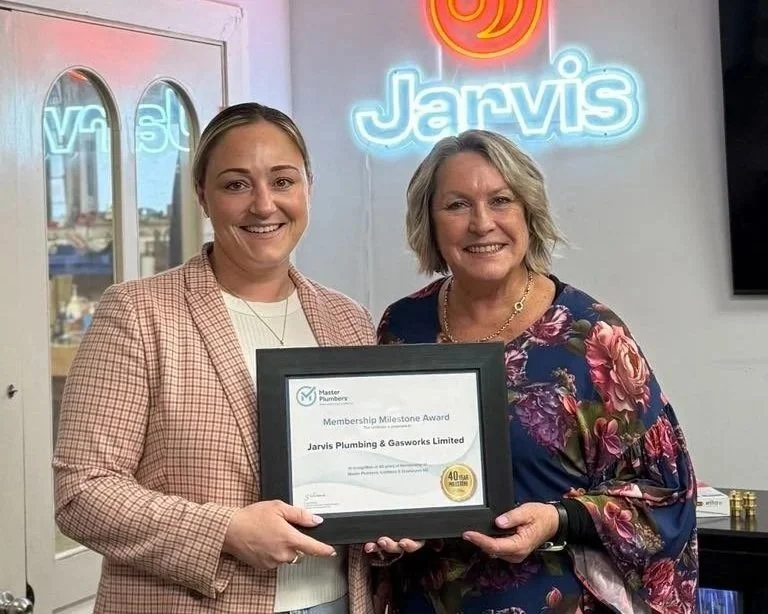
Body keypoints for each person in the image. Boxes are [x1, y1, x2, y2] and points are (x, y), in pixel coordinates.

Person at [53, 103, 378, 613]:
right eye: (236, 185)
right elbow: (81, 491)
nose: (264, 204)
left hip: (336, 600)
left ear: (308, 187)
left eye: (283, 180)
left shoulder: (348, 320)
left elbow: (361, 471)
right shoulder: (139, 312)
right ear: (203, 196)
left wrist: (394, 523)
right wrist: (224, 530)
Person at [372, 130, 698, 613]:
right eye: (457, 205)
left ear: (529, 213)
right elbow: (382, 460)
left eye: (501, 200)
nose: (482, 223)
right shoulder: (401, 327)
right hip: (425, 600)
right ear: (429, 222)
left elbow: (665, 493)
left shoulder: (593, 337)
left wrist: (559, 518)